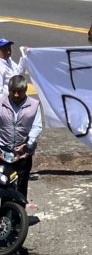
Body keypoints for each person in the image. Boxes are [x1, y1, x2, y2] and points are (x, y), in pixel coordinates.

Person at [0, 75, 42, 204]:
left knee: (22, 184)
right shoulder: (1, 104)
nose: (16, 94)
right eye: (13, 91)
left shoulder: (34, 105)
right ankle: (6, 215)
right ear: (9, 90)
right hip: (3, 152)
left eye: (20, 91)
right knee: (4, 183)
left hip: (23, 153)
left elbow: (37, 126)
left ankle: (19, 216)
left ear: (25, 90)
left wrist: (28, 144)